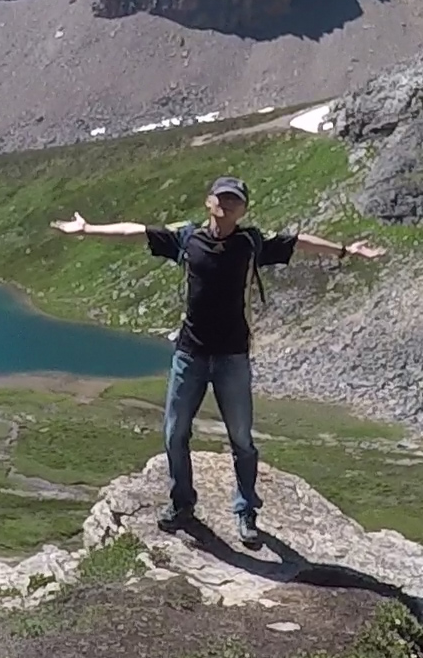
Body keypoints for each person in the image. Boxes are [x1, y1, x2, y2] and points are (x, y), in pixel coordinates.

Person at [50, 175, 385, 546]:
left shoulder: (251, 242)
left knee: (241, 439)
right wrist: (87, 230)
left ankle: (245, 512)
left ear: (243, 209)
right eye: (221, 198)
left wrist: (345, 251)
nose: (226, 205)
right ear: (208, 201)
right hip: (189, 354)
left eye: (235, 201)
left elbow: (298, 242)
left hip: (232, 357)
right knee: (174, 434)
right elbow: (137, 232)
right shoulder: (187, 237)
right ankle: (182, 505)